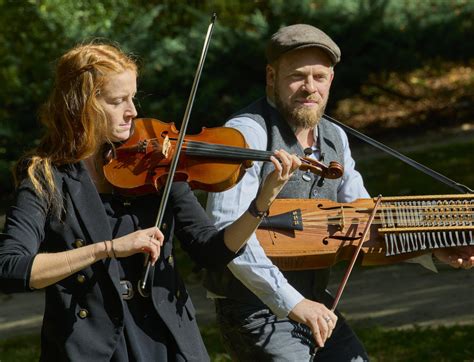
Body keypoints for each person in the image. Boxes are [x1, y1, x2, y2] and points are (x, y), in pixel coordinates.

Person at [0, 42, 302, 361]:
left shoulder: (156, 165)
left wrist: (262, 200)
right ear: (82, 106)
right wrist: (108, 248)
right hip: (91, 347)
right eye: (118, 101)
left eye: (132, 97)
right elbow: (10, 267)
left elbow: (210, 251)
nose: (132, 111)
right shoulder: (45, 177)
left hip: (167, 339)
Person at [204, 24, 474, 361]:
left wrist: (431, 247)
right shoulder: (246, 134)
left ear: (331, 79)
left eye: (320, 76)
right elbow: (224, 233)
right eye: (298, 76)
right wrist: (294, 303)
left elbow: (365, 221)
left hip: (316, 304)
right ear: (271, 77)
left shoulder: (334, 137)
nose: (309, 87)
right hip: (254, 309)